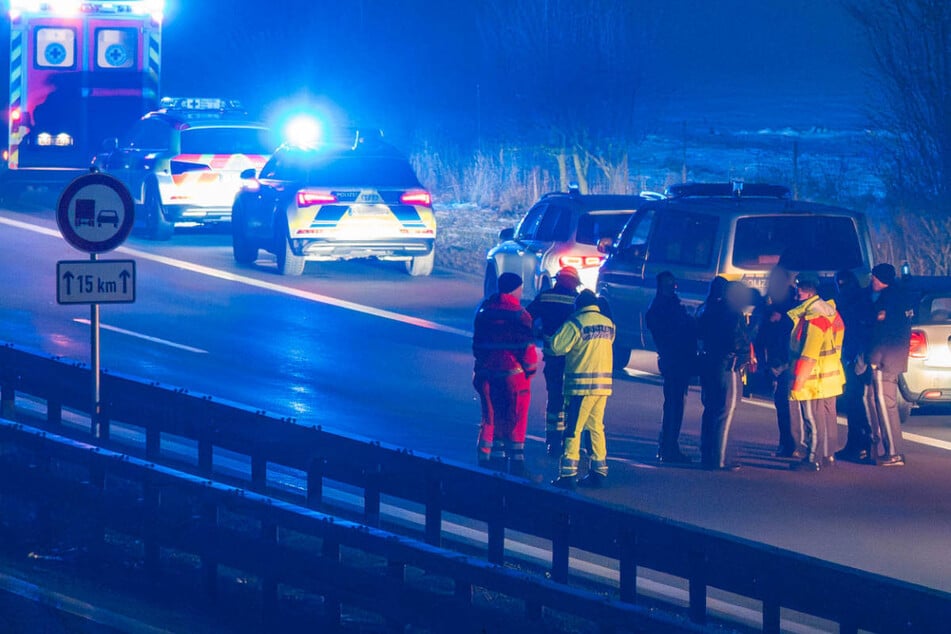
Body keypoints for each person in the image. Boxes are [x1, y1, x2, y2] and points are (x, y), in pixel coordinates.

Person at [472, 272, 538, 476]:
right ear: (515, 289)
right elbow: (526, 347)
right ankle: (517, 462)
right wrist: (530, 369)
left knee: (492, 414)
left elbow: (477, 344)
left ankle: (493, 458)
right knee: (516, 416)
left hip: (485, 372)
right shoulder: (520, 314)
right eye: (520, 287)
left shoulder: (484, 310)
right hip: (512, 375)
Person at [549, 290, 616, 489]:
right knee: (596, 427)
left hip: (580, 387)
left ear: (578, 305)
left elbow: (556, 346)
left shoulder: (576, 322)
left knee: (573, 429)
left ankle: (568, 474)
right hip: (602, 386)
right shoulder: (608, 324)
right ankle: (599, 470)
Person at [786, 271, 846, 471]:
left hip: (813, 377)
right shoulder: (828, 309)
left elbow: (809, 354)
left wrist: (798, 382)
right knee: (827, 416)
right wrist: (834, 358)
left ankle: (812, 459)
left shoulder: (813, 317)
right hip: (829, 372)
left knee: (812, 418)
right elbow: (839, 332)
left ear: (801, 290)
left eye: (797, 288)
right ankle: (827, 455)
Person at [696, 277, 753, 471]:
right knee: (725, 411)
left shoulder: (706, 309)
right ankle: (719, 459)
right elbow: (737, 341)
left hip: (708, 363)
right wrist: (744, 355)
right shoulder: (733, 313)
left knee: (710, 409)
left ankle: (706, 454)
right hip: (728, 365)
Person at [526, 266, 581, 456]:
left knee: (554, 398)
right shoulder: (577, 300)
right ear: (573, 283)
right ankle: (569, 438)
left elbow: (527, 317)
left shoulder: (545, 297)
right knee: (571, 400)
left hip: (552, 358)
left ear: (558, 280)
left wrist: (532, 336)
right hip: (573, 361)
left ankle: (552, 441)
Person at [644, 271, 697, 463]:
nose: (673, 288)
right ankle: (668, 448)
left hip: (674, 360)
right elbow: (676, 331)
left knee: (674, 405)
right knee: (674, 406)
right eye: (670, 285)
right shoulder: (663, 308)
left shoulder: (663, 305)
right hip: (674, 360)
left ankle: (669, 446)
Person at [864, 263, 912, 466]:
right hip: (895, 357)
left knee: (884, 403)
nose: (871, 281)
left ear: (881, 279)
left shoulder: (887, 300)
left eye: (874, 278)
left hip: (885, 359)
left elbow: (881, 333)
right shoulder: (902, 297)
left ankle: (893, 452)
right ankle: (892, 450)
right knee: (886, 403)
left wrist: (874, 358)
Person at [752, 266, 801, 457]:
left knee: (789, 404)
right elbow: (759, 335)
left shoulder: (793, 301)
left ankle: (794, 445)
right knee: (781, 403)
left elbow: (798, 325)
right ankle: (786, 443)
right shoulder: (767, 302)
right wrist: (763, 363)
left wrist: (781, 319)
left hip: (788, 358)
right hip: (773, 358)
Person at [833, 269, 876, 462]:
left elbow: (862, 332)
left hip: (856, 357)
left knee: (858, 403)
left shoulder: (856, 302)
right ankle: (855, 444)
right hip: (850, 356)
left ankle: (863, 445)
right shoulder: (854, 300)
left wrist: (860, 358)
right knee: (853, 403)